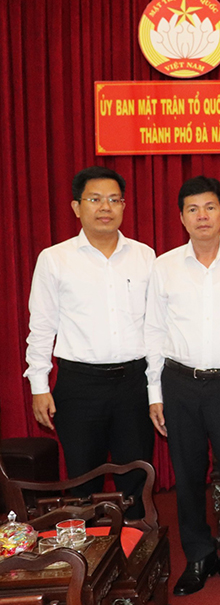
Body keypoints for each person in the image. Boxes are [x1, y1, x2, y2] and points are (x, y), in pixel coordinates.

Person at [145, 176, 220, 596]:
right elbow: (153, 333)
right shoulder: (163, 267)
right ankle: (197, 555)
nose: (202, 216)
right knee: (188, 475)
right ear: (181, 217)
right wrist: (155, 394)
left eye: (210, 207)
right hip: (179, 384)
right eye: (193, 209)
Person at [24, 166, 155, 518]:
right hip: (79, 386)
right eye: (95, 199)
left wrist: (156, 387)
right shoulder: (55, 259)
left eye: (114, 200)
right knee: (83, 483)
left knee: (136, 478)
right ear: (76, 206)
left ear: (124, 206)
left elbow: (157, 326)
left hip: (134, 383)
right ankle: (93, 566)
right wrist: (39, 384)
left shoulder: (145, 256)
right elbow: (42, 327)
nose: (105, 207)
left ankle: (139, 559)